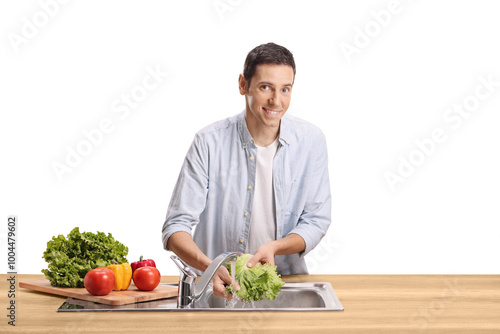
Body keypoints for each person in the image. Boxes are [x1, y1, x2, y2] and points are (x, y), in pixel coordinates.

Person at [162, 42, 331, 300]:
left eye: (285, 89)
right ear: (243, 85)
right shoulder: (209, 142)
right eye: (266, 87)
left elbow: (316, 220)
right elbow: (176, 226)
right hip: (217, 288)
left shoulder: (311, 141)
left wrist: (276, 247)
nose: (276, 100)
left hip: (282, 285)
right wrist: (209, 267)